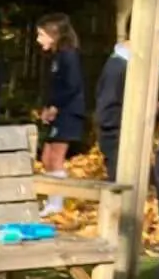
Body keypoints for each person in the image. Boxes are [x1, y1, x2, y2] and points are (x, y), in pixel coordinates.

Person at [36, 13, 86, 213]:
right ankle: (52, 200)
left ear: (54, 34)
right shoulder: (57, 57)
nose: (38, 40)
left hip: (68, 113)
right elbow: (55, 87)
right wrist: (47, 106)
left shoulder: (69, 55)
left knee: (56, 158)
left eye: (41, 35)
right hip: (57, 111)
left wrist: (55, 107)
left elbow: (72, 86)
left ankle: (56, 204)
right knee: (47, 157)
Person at [94, 30, 129, 185]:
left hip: (117, 130)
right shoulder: (118, 67)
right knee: (119, 182)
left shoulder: (123, 64)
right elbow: (108, 105)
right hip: (115, 132)